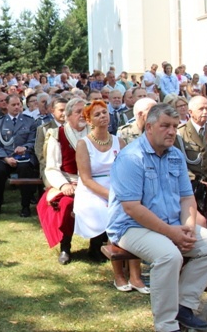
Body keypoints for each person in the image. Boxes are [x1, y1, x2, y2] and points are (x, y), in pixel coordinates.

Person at [107, 104, 207, 332]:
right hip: (130, 227)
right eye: (165, 126)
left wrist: (188, 228)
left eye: (174, 126)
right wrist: (172, 233)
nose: (171, 131)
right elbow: (132, 208)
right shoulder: (131, 157)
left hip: (170, 223)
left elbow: (187, 199)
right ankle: (166, 325)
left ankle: (183, 306)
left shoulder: (175, 156)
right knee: (168, 255)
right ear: (149, 127)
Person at [74, 100, 149, 292]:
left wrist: (125, 193)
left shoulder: (119, 141)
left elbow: (126, 170)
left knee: (134, 216)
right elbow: (86, 179)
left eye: (105, 113)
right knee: (116, 216)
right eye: (97, 114)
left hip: (118, 187)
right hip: (93, 191)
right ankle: (119, 275)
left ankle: (135, 275)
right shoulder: (83, 144)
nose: (103, 117)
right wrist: (113, 197)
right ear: (90, 120)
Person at [37, 98, 88, 264]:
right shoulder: (57, 134)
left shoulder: (94, 133)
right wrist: (64, 184)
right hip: (68, 181)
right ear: (68, 115)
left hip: (91, 183)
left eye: (85, 111)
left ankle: (97, 245)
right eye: (78, 112)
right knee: (66, 205)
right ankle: (65, 247)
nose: (82, 115)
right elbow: (51, 167)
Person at [175, 96, 207, 226]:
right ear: (190, 112)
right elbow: (179, 161)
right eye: (201, 109)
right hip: (191, 181)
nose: (205, 112)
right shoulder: (180, 133)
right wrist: (193, 180)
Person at [0, 94, 38, 217]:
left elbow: (33, 141)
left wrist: (25, 147)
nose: (17, 107)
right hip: (6, 157)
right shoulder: (0, 123)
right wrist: (5, 158)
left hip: (24, 157)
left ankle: (25, 206)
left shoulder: (29, 121)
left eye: (19, 104)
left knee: (26, 171)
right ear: (6, 105)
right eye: (14, 105)